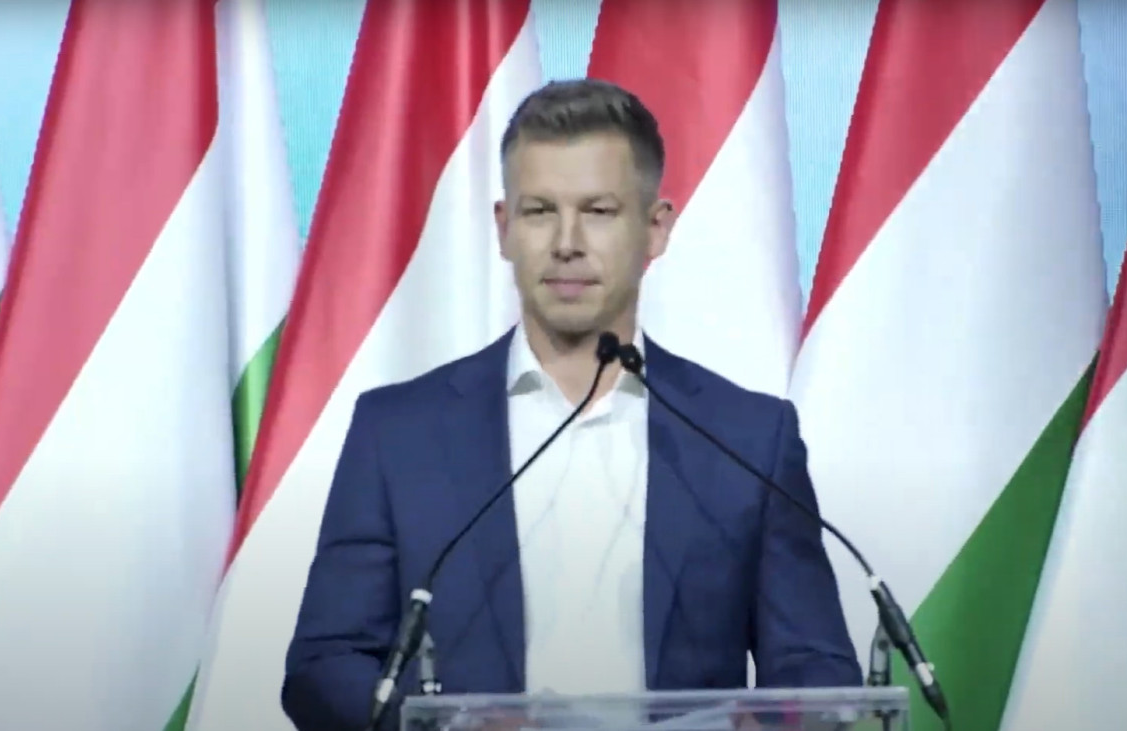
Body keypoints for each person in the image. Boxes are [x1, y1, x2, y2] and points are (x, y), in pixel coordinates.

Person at [281, 78, 861, 731]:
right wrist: (451, 727)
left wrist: (773, 725)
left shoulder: (748, 438)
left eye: (599, 211)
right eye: (539, 211)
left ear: (655, 229)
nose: (566, 241)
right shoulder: (397, 433)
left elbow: (817, 669)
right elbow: (324, 666)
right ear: (504, 229)